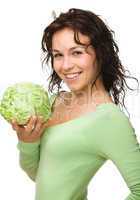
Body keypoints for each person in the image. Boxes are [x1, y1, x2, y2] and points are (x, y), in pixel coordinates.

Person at [11, 8, 140, 200]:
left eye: (77, 52)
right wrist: (27, 142)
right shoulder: (55, 101)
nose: (65, 65)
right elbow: (40, 175)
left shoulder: (109, 119)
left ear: (101, 53)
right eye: (58, 55)